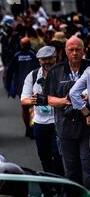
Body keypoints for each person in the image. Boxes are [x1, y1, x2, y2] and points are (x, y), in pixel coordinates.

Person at [46, 37, 90, 188]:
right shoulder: (55, 71)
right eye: (71, 50)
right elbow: (50, 99)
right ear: (65, 51)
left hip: (87, 127)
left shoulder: (89, 68)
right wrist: (69, 101)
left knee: (87, 166)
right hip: (65, 127)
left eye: (78, 49)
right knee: (71, 170)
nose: (75, 53)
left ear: (84, 50)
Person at [21, 46, 64, 176]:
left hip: (58, 122)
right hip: (39, 124)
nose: (47, 62)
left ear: (55, 58)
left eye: (50, 58)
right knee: (44, 157)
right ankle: (51, 186)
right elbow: (24, 99)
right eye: (44, 60)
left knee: (57, 156)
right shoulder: (33, 75)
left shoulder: (63, 74)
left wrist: (51, 100)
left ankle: (60, 186)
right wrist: (35, 100)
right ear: (39, 61)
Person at [5, 37, 40, 138]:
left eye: (24, 44)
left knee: (31, 107)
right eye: (22, 44)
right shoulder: (19, 55)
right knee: (28, 107)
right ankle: (29, 128)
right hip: (23, 86)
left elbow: (9, 72)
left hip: (31, 85)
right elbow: (10, 72)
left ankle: (31, 128)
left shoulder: (31, 55)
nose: (23, 46)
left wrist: (8, 86)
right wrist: (8, 86)